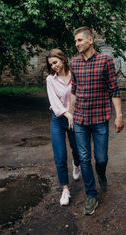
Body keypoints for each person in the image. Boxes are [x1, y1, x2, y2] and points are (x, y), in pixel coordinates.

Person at [69, 26, 124, 215]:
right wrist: (70, 113)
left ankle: (101, 172)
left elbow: (113, 90)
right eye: (75, 41)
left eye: (80, 40)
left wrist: (119, 115)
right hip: (80, 120)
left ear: (90, 40)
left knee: (101, 159)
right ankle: (91, 195)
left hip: (100, 119)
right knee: (84, 159)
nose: (77, 44)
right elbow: (74, 90)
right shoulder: (74, 63)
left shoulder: (105, 61)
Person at [46, 48, 82, 206]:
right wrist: (67, 114)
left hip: (75, 118)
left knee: (77, 150)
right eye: (51, 64)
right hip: (59, 119)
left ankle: (76, 164)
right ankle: (65, 190)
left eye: (55, 62)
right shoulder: (50, 79)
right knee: (59, 156)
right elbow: (54, 102)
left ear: (63, 59)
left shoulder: (75, 74)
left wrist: (74, 114)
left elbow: (80, 94)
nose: (53, 66)